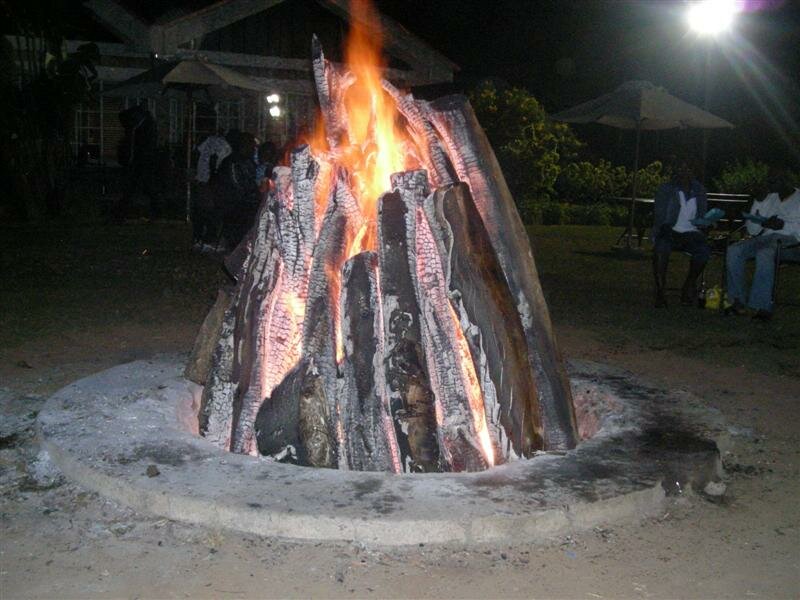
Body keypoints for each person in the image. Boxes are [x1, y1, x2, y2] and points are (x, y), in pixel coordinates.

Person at [725, 173, 800, 320]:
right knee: (734, 250)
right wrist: (758, 202)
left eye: (774, 181)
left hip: (793, 242)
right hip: (767, 238)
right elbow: (753, 231)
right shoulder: (770, 198)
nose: (770, 185)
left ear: (786, 180)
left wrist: (783, 224)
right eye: (769, 182)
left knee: (765, 253)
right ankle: (737, 301)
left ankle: (761, 306)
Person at [651, 158, 711, 307]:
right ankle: (660, 291)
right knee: (660, 248)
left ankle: (688, 286)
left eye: (688, 169)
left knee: (703, 252)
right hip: (670, 229)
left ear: (693, 171)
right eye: (681, 169)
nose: (684, 173)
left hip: (691, 232)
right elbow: (659, 214)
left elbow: (702, 215)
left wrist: (707, 223)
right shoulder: (666, 189)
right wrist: (664, 228)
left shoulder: (699, 190)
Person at [112, 105, 160, 222]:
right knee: (140, 188)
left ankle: (121, 213)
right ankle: (121, 213)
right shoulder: (142, 126)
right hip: (141, 163)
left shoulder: (145, 128)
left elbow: (143, 147)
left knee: (136, 188)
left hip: (142, 163)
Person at [213, 131, 259, 249]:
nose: (254, 149)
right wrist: (253, 195)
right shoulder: (232, 162)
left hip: (244, 203)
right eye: (252, 146)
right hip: (235, 205)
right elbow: (237, 185)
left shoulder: (248, 162)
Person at [192, 129, 232, 249]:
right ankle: (208, 241)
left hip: (202, 179)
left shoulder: (210, 140)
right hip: (211, 181)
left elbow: (197, 153)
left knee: (201, 211)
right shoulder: (226, 146)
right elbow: (216, 162)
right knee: (211, 212)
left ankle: (198, 239)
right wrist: (214, 176)